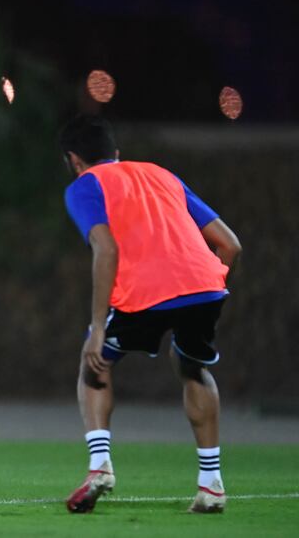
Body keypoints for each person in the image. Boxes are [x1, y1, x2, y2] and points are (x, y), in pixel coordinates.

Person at [59, 115, 241, 514]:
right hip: (205, 284)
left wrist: (95, 327)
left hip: (144, 292)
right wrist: (207, 284)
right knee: (193, 368)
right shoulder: (160, 174)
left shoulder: (84, 186)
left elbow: (105, 250)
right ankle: (211, 486)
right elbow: (230, 244)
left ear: (74, 160)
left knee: (95, 363)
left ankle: (99, 467)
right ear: (117, 153)